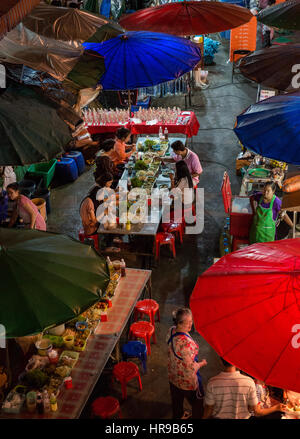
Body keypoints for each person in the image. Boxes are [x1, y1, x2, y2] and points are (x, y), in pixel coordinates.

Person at [203, 358, 286, 419]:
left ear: (220, 361)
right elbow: (256, 412)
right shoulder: (249, 382)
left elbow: (208, 411)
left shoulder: (212, 382)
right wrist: (276, 407)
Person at [166, 308, 207, 419]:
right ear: (179, 323)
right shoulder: (186, 345)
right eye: (187, 322)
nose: (191, 324)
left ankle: (178, 415)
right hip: (186, 381)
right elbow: (190, 369)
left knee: (177, 401)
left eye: (191, 321)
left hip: (173, 375)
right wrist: (201, 363)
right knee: (197, 402)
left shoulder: (171, 330)